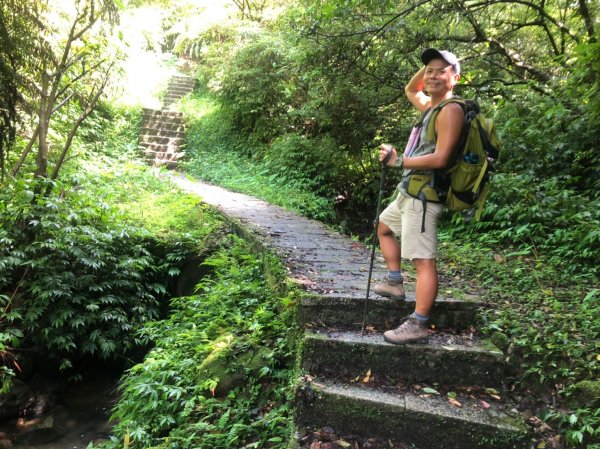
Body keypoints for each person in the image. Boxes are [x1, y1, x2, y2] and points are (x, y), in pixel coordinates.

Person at [374, 48, 464, 345]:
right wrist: (427, 68)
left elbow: (441, 158)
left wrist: (399, 161)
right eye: (430, 70)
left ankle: (419, 323)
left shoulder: (451, 110)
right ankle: (394, 281)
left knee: (423, 261)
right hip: (409, 191)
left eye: (442, 70)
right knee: (383, 227)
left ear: (456, 77)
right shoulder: (430, 107)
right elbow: (411, 88)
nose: (433, 75)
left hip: (425, 197)